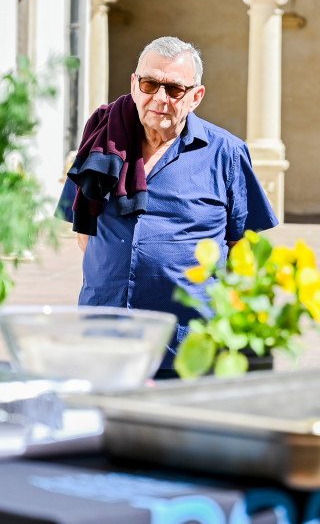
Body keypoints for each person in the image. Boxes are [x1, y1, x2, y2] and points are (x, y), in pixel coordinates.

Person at [58, 36, 278, 377]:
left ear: (195, 97)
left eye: (174, 89)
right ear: (134, 84)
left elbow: (244, 253)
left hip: (188, 348)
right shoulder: (100, 145)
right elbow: (85, 236)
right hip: (104, 338)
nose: (160, 98)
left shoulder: (227, 154)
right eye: (149, 84)